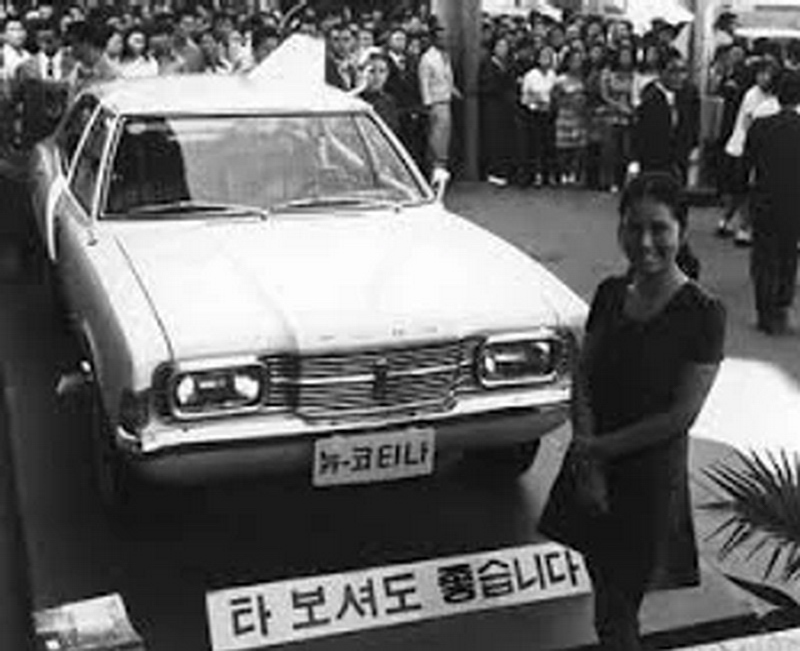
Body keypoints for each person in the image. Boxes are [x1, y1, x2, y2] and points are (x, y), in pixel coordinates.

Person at [564, 172, 726, 651]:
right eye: (634, 228)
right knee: (608, 604)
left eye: (659, 228)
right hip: (594, 468)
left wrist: (595, 450)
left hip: (648, 479)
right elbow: (583, 374)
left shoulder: (703, 313)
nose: (645, 241)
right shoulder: (611, 293)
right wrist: (588, 459)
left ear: (682, 230)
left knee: (617, 611)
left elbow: (681, 415)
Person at [743, 70, 800, 335]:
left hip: (765, 196)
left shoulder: (760, 126)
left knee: (764, 256)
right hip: (795, 199)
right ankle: (782, 304)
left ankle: (765, 312)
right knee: (789, 253)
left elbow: (747, 163)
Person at [722, 57, 778, 246]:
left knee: (750, 191)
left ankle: (742, 225)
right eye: (761, 73)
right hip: (742, 147)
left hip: (759, 150)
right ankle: (734, 223)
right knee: (741, 191)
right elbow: (747, 123)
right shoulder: (752, 95)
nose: (763, 78)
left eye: (768, 74)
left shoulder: (775, 97)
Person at [418, 23, 460, 177]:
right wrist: (427, 104)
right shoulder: (427, 58)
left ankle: (439, 169)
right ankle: (434, 170)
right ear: (433, 39)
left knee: (443, 138)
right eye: (440, 38)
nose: (444, 40)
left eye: (445, 38)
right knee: (436, 140)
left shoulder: (445, 56)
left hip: (446, 100)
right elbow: (423, 82)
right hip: (435, 102)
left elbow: (448, 79)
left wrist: (454, 91)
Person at [478, 34, 517, 186]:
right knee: (492, 139)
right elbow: (486, 85)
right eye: (500, 46)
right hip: (492, 106)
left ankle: (504, 170)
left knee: (505, 139)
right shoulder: (487, 64)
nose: (503, 49)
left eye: (505, 46)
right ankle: (492, 171)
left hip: (507, 107)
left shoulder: (509, 64)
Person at [520, 44, 558, 187]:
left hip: (548, 114)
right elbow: (524, 98)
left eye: (548, 57)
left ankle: (548, 175)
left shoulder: (553, 75)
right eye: (543, 56)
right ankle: (534, 175)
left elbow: (554, 95)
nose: (545, 59)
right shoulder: (530, 75)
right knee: (534, 146)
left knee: (548, 145)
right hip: (534, 114)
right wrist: (537, 101)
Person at [553, 47, 588, 185]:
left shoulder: (584, 78)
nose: (576, 63)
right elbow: (555, 98)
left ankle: (575, 173)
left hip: (580, 116)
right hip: (565, 114)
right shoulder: (561, 79)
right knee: (563, 147)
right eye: (574, 60)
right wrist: (568, 100)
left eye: (579, 60)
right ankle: (563, 173)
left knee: (578, 147)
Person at [359, 52, 399, 134]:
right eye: (372, 71)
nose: (377, 77)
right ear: (362, 73)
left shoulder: (389, 101)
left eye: (382, 71)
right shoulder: (353, 100)